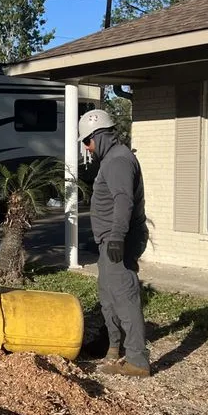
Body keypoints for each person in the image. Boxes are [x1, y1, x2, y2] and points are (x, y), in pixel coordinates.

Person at [79, 109, 150, 378]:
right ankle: (113, 346)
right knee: (107, 296)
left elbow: (124, 201)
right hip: (108, 239)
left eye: (87, 141)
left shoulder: (119, 160)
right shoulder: (111, 159)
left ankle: (137, 361)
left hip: (117, 238)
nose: (87, 147)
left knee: (124, 297)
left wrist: (118, 237)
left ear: (98, 135)